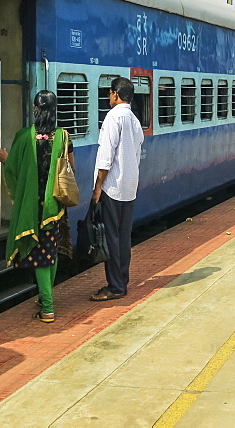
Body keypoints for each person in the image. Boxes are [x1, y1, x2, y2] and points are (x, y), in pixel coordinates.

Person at [0, 90, 74, 323]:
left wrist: (6, 158)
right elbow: (69, 170)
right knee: (51, 251)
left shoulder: (23, 137)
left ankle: (47, 308)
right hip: (54, 207)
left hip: (32, 207)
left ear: (34, 108)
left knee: (40, 257)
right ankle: (45, 296)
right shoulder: (64, 137)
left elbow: (14, 170)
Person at [90, 77, 145, 301]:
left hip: (112, 187)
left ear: (115, 94)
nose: (108, 96)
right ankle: (122, 279)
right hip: (129, 187)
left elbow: (105, 158)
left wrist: (97, 188)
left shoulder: (113, 118)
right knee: (123, 237)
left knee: (111, 237)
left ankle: (115, 286)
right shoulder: (133, 120)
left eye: (110, 93)